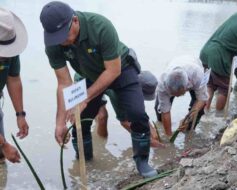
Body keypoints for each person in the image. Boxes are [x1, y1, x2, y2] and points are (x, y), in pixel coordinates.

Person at [40, 1, 157, 177]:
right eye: (56, 38)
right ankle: (85, 162)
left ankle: (142, 162)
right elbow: (64, 83)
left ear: (75, 20)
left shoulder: (100, 26)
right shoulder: (53, 43)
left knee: (137, 114)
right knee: (81, 119)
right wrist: (59, 122)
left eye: (64, 35)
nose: (61, 41)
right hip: (90, 75)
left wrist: (85, 98)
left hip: (121, 69)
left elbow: (113, 70)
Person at [74, 71, 164, 148]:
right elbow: (124, 122)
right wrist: (144, 139)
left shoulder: (133, 74)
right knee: (102, 116)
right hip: (87, 80)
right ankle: (101, 145)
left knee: (100, 116)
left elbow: (139, 111)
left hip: (104, 78)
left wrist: (152, 131)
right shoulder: (121, 90)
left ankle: (100, 138)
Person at [200, 12, 237, 111]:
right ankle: (218, 117)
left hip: (206, 51)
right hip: (219, 56)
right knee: (224, 89)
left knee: (210, 85)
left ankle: (204, 115)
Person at [0, 8, 29, 163]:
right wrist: (4, 144)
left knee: (1, 156)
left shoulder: (7, 43)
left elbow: (13, 79)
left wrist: (20, 115)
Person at [155, 55, 208, 136]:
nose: (177, 97)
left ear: (186, 86)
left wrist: (187, 119)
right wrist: (169, 137)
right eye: (173, 94)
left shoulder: (197, 75)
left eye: (179, 94)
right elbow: (165, 111)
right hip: (176, 64)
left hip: (193, 66)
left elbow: (201, 99)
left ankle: (189, 132)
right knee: (159, 110)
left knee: (198, 111)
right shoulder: (162, 83)